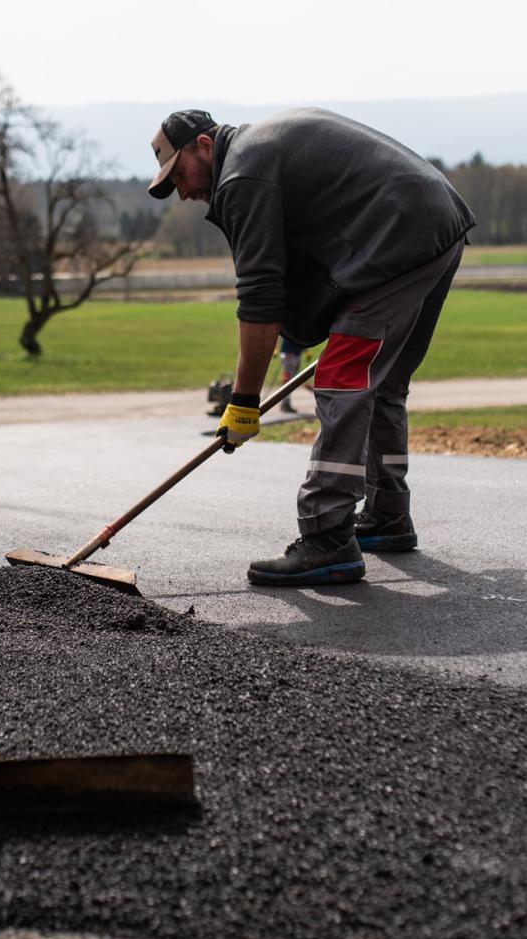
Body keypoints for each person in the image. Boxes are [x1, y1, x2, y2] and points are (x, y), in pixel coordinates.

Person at [147, 107, 474, 586]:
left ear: (203, 145)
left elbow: (261, 294)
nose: (183, 191)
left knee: (343, 376)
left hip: (398, 237)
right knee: (380, 383)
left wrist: (243, 401)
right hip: (432, 223)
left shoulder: (242, 176)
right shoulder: (256, 154)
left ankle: (327, 538)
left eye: (179, 173)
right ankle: (387, 514)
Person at [278, 337, 304, 414]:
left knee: (293, 380)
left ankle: (286, 402)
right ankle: (285, 403)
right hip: (288, 353)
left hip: (297, 353)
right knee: (288, 380)